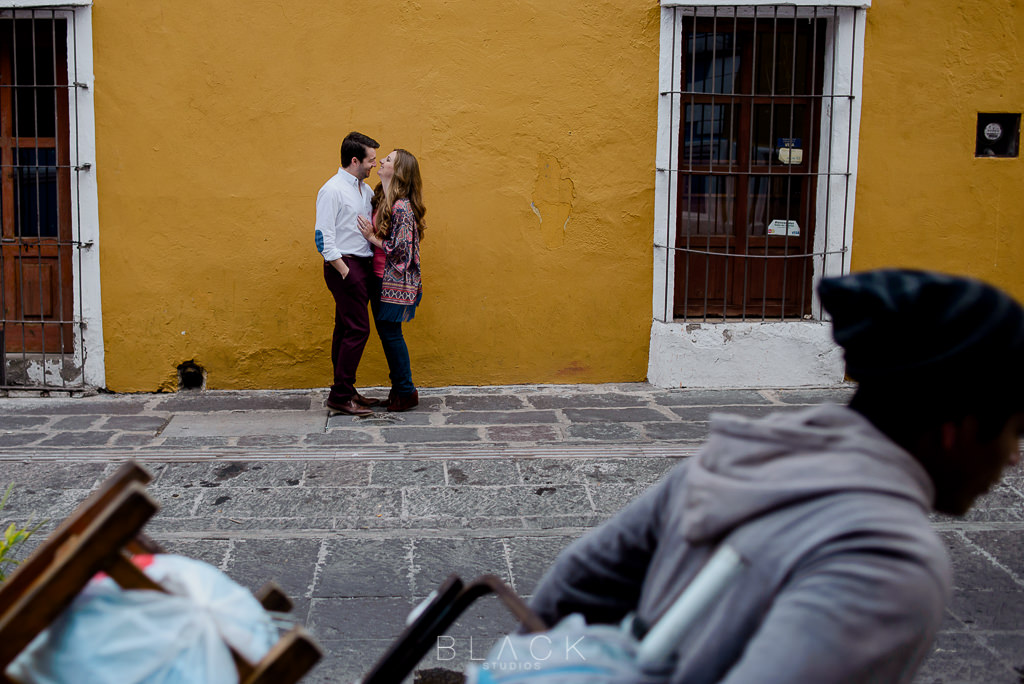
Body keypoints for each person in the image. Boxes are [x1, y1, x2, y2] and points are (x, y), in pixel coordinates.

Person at [526, 269, 1024, 683]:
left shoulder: (729, 462)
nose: (1015, 459)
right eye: (1016, 432)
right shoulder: (889, 562)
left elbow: (570, 589)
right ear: (957, 430)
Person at [314, 131, 382, 417]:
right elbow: (322, 237)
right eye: (370, 160)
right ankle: (341, 395)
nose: (374, 166)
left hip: (361, 265)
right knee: (358, 329)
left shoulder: (364, 190)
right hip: (345, 267)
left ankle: (346, 390)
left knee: (344, 330)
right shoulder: (332, 190)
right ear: (355, 160)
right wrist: (345, 272)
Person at [357, 149, 425, 412]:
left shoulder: (402, 206)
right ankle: (400, 390)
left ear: (397, 172)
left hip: (393, 282)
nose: (381, 162)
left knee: (392, 335)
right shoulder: (382, 198)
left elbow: (402, 250)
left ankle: (406, 391)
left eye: (387, 160)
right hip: (379, 278)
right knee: (388, 335)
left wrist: (372, 238)